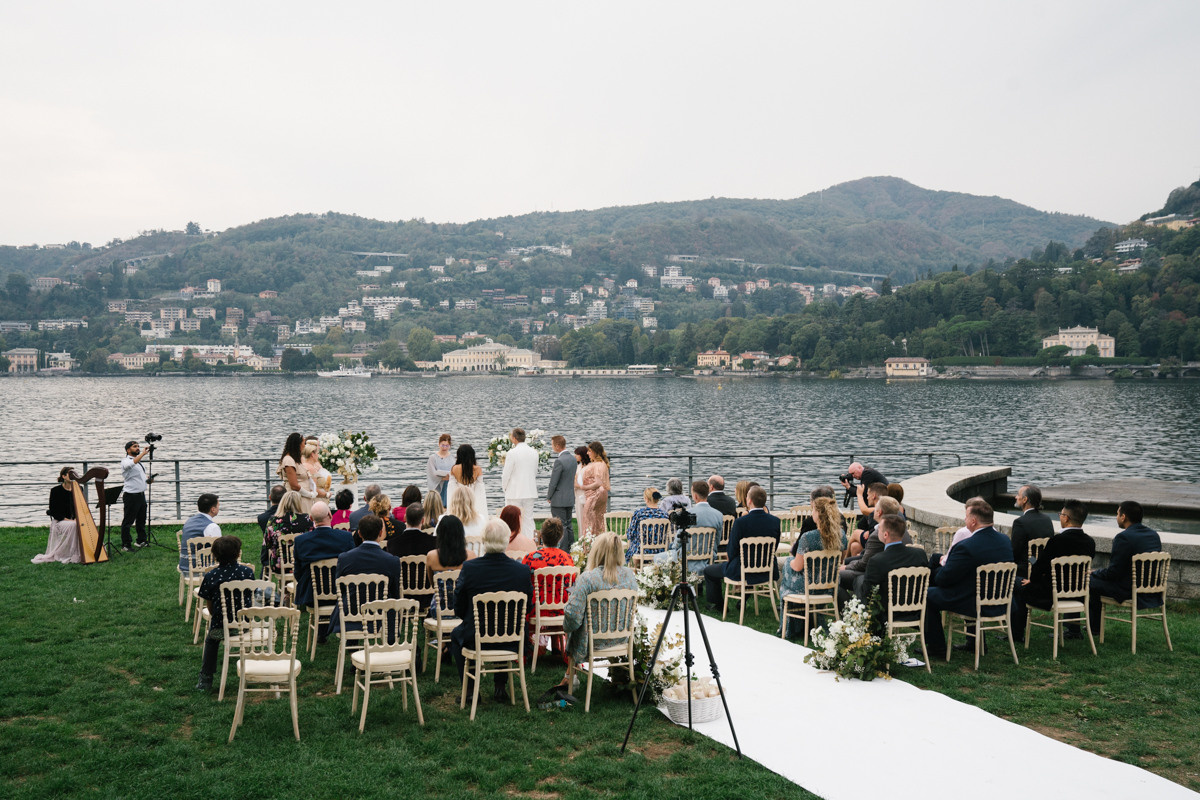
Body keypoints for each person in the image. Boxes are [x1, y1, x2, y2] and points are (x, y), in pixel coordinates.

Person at [450, 518, 534, 702]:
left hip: (475, 637)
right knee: (501, 624)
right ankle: (500, 686)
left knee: (457, 636)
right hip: (513, 638)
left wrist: (469, 617)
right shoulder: (522, 571)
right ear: (506, 540)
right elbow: (528, 606)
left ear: (484, 540)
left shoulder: (470, 568)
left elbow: (458, 604)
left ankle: (471, 690)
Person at [923, 498, 1014, 659]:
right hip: (1001, 601)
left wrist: (935, 571)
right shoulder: (1005, 540)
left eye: (966, 517)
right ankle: (975, 643)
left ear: (973, 521)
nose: (964, 520)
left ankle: (937, 648)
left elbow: (943, 579)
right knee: (966, 584)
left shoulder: (966, 546)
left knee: (927, 595)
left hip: (974, 602)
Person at [556, 531, 638, 693]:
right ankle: (618, 674)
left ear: (597, 551)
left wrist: (567, 628)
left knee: (574, 622)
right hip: (621, 638)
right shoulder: (629, 575)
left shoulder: (588, 579)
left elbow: (572, 616)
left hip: (589, 642)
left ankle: (571, 676)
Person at [1012, 499, 1095, 640]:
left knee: (1016, 583)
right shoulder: (1089, 542)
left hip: (1050, 595)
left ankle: (1016, 633)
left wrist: (1032, 581)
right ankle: (1074, 630)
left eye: (1061, 514)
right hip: (1077, 593)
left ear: (1066, 518)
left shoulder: (1057, 541)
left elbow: (1038, 569)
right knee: (1069, 579)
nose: (1060, 516)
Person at [1088, 500, 1163, 635]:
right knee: (1095, 580)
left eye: (1117, 513)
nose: (1116, 517)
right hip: (1151, 589)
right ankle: (1094, 626)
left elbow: (1113, 573)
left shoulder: (1123, 537)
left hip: (1129, 590)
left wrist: (1095, 572)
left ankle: (1092, 628)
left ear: (1123, 517)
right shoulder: (1153, 535)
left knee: (1088, 581)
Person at [702, 486, 780, 610]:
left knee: (709, 571)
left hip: (743, 568)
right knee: (749, 568)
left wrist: (731, 561)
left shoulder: (741, 522)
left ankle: (719, 605)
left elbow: (732, 549)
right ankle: (743, 600)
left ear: (749, 501)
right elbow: (774, 547)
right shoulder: (775, 521)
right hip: (767, 569)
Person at [194, 535, 255, 691]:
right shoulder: (247, 572)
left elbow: (209, 604)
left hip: (221, 626)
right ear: (237, 553)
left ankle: (206, 679)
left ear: (215, 555)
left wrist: (218, 615)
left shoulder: (211, 576)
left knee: (210, 642)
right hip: (244, 625)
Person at [778, 496, 847, 634]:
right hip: (829, 586)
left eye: (813, 510)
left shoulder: (808, 538)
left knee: (787, 565)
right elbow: (840, 561)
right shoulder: (841, 535)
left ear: (819, 514)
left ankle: (791, 626)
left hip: (807, 587)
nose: (812, 514)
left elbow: (797, 567)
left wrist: (789, 562)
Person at [329, 513, 401, 637]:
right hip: (381, 616)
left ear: (360, 534)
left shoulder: (345, 558)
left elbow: (339, 590)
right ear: (380, 533)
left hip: (350, 615)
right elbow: (394, 592)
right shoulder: (392, 560)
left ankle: (352, 645)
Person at [292, 502, 355, 639]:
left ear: (311, 518)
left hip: (311, 594)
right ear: (330, 515)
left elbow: (297, 572)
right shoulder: (345, 537)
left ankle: (323, 629)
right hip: (341, 592)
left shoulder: (301, 541)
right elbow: (351, 566)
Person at [857, 514, 929, 611]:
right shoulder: (920, 554)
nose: (877, 530)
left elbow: (868, 592)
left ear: (885, 535)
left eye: (879, 528)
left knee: (859, 580)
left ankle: (860, 615)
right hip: (917, 609)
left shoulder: (877, 560)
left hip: (887, 612)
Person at [839, 496, 908, 594]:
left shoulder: (877, 535)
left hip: (877, 575)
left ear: (879, 512)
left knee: (837, 575)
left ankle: (847, 605)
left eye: (875, 509)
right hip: (889, 571)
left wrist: (846, 567)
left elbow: (864, 564)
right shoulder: (901, 529)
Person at [656, 481, 725, 573]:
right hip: (708, 557)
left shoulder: (688, 514)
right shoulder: (718, 515)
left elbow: (678, 541)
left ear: (695, 496)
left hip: (685, 557)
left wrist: (672, 547)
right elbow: (717, 540)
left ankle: (669, 584)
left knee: (657, 557)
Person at [426, 514, 475, 616]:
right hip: (463, 611)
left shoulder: (431, 556)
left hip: (438, 610)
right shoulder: (471, 556)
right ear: (461, 534)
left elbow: (432, 584)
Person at [33, 466, 84, 564]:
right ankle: (70, 554)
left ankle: (83, 552)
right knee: (74, 525)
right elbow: (54, 511)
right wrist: (68, 520)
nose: (73, 476)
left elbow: (81, 508)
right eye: (70, 474)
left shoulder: (78, 489)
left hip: (74, 520)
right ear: (63, 476)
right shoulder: (55, 491)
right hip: (60, 521)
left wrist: (78, 518)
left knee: (84, 525)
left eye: (74, 474)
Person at [263, 490, 312, 577]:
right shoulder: (306, 519)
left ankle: (285, 589)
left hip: (279, 564)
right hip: (302, 562)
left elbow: (267, 544)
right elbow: (312, 540)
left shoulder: (273, 521)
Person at [501, 428, 539, 539]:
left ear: (514, 438)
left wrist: (505, 488)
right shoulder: (534, 452)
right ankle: (532, 544)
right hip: (530, 490)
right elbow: (534, 471)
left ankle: (515, 543)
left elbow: (506, 474)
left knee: (513, 520)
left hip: (514, 491)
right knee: (529, 519)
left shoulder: (512, 453)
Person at [1011, 484, 1055, 580]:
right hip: (1044, 570)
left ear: (1025, 499)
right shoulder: (1047, 519)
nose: (1016, 497)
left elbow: (1015, 553)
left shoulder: (1020, 522)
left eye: (1018, 495)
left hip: (1024, 573)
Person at [545, 434, 578, 552]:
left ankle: (563, 550)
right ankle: (572, 548)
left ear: (558, 446)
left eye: (552, 445)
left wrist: (549, 496)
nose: (552, 447)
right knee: (568, 524)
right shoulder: (573, 459)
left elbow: (554, 482)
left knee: (561, 525)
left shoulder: (559, 461)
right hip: (569, 497)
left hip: (559, 498)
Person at [119, 439, 153, 551]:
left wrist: (148, 479)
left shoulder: (139, 462)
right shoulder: (125, 461)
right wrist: (143, 453)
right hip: (131, 495)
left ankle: (141, 540)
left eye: (138, 446)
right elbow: (129, 466)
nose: (137, 448)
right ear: (128, 450)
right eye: (135, 446)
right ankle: (126, 544)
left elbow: (139, 476)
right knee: (128, 521)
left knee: (141, 519)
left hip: (140, 494)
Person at [178, 493, 222, 574]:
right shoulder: (212, 527)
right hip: (201, 570)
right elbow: (219, 552)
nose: (219, 508)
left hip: (184, 566)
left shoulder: (189, 521)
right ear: (213, 509)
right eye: (218, 505)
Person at [579, 441, 611, 539]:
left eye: (589, 451)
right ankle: (600, 543)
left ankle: (589, 546)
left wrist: (584, 487)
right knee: (599, 520)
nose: (588, 453)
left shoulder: (598, 465)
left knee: (588, 519)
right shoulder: (602, 464)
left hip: (594, 495)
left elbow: (598, 483)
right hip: (600, 494)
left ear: (595, 452)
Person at [277, 432, 315, 514]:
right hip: (298, 499)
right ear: (298, 445)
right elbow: (294, 485)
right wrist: (308, 494)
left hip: (304, 498)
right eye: (303, 443)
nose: (304, 446)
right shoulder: (288, 460)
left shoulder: (296, 459)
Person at [449, 443, 489, 521]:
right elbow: (480, 489)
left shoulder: (454, 468)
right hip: (472, 500)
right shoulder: (477, 469)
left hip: (458, 499)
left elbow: (451, 488)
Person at [625, 488, 667, 559]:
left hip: (642, 550)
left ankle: (636, 568)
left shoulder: (639, 514)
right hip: (660, 550)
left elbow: (631, 533)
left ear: (646, 499)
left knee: (635, 543)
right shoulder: (664, 515)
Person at [256, 484, 286, 570]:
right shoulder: (290, 517)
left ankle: (263, 580)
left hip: (269, 554)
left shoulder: (262, 518)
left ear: (270, 497)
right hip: (288, 554)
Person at [301, 438, 331, 507]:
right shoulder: (311, 468)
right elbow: (313, 489)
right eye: (317, 453)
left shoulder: (308, 465)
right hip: (317, 501)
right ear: (312, 454)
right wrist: (326, 494)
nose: (318, 455)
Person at [427, 434, 455, 505]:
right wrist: (442, 478)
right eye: (443, 445)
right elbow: (431, 473)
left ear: (450, 446)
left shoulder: (453, 458)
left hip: (450, 484)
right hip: (438, 485)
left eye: (447, 445)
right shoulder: (433, 458)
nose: (444, 447)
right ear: (439, 444)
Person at [573, 446, 590, 520]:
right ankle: (581, 532)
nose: (575, 456)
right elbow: (574, 480)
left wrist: (579, 485)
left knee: (588, 517)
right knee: (580, 516)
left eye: (577, 454)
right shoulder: (578, 467)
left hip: (587, 493)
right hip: (578, 493)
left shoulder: (590, 467)